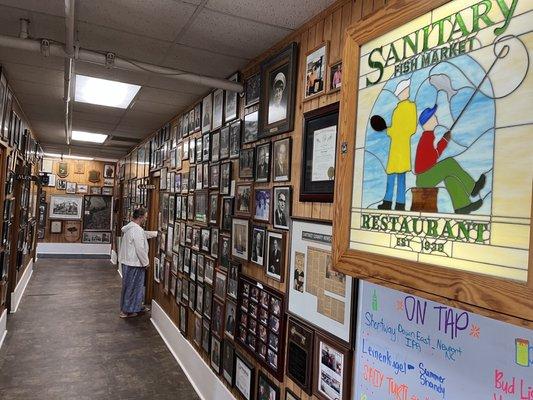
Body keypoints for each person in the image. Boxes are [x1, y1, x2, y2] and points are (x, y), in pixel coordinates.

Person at [414, 105, 485, 214]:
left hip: (426, 175)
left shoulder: (428, 136)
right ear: (428, 122)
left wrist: (443, 140)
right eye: (433, 116)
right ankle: (472, 187)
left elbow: (432, 157)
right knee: (449, 163)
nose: (436, 117)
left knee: (450, 178)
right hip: (424, 178)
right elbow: (433, 158)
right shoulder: (426, 138)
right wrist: (444, 140)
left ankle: (462, 207)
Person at [372, 78, 417, 211]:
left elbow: (411, 128)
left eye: (406, 89)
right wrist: (392, 130)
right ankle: (387, 202)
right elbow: (399, 128)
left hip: (402, 147)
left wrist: (391, 130)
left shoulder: (411, 107)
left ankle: (400, 204)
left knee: (401, 177)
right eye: (403, 91)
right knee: (391, 175)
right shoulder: (397, 109)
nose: (406, 92)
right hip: (395, 147)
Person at [118, 208, 157, 318]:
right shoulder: (137, 230)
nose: (146, 218)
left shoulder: (131, 228)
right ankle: (126, 310)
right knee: (133, 287)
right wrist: (146, 262)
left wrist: (155, 233)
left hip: (127, 262)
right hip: (134, 263)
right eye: (145, 216)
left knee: (130, 286)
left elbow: (143, 235)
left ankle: (134, 306)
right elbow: (140, 248)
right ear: (140, 217)